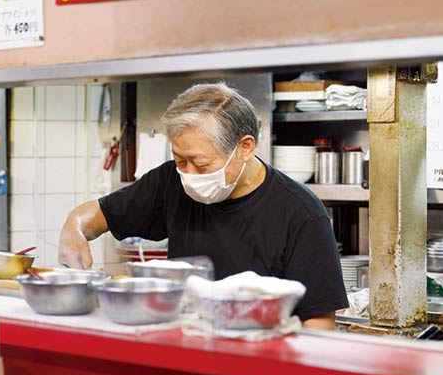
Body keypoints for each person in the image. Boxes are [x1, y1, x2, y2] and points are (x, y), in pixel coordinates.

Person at [58, 83, 348, 330]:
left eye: (201, 163)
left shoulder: (301, 215)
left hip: (260, 364)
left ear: (245, 147)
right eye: (181, 160)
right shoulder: (170, 181)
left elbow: (319, 325)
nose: (188, 174)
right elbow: (97, 215)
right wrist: (75, 227)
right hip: (188, 351)